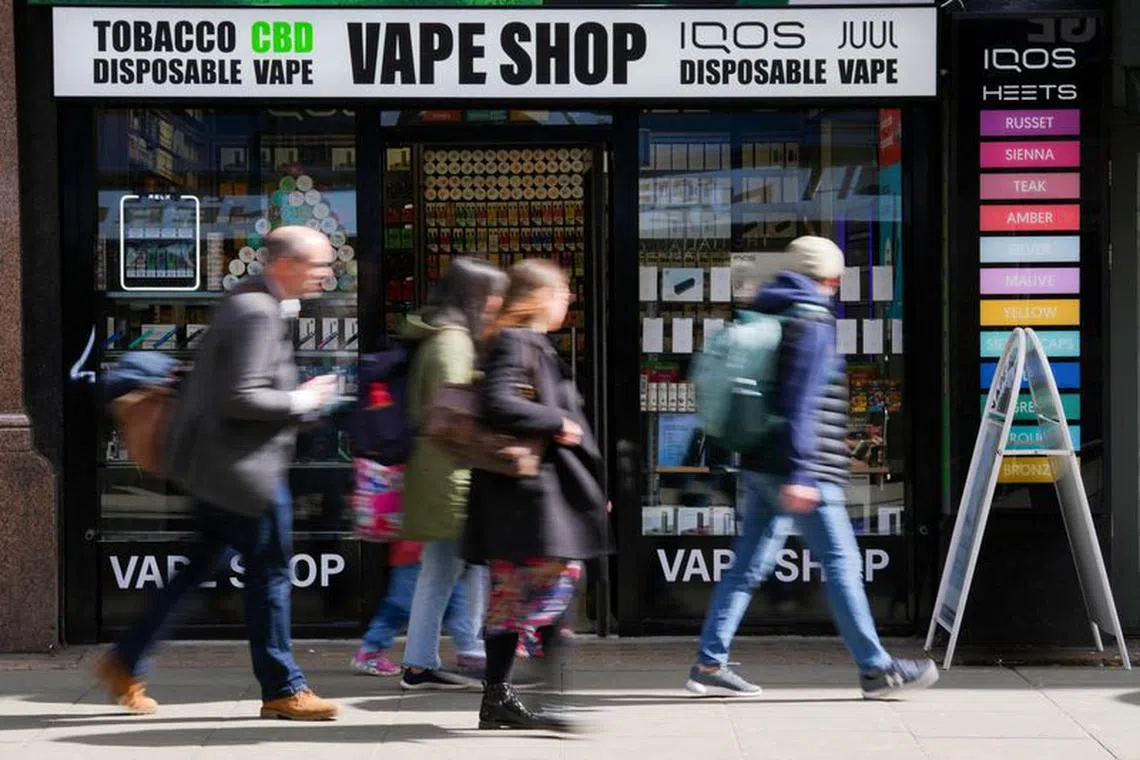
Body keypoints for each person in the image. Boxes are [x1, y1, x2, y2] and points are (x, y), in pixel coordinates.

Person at [96, 226, 342, 720]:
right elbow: (241, 396)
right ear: (286, 265)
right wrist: (303, 399)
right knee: (270, 575)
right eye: (318, 266)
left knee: (195, 569)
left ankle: (124, 661)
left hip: (220, 468)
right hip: (243, 473)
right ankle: (282, 687)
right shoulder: (256, 311)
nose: (326, 275)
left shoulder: (252, 301)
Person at [687, 236, 939, 700]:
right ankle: (876, 668)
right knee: (843, 562)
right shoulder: (812, 319)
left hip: (763, 463)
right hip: (804, 470)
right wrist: (802, 473)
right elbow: (799, 404)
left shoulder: (767, 307)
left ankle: (709, 662)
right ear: (831, 277)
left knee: (747, 567)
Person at [464, 259, 609, 731]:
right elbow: (498, 402)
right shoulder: (515, 341)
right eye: (562, 291)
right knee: (553, 598)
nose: (567, 299)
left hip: (534, 502)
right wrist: (556, 421)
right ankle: (547, 700)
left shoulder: (530, 342)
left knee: (517, 602)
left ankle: (500, 698)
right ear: (539, 297)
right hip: (531, 502)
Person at [399, 257, 509, 690]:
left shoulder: (440, 336)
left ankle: (426, 660)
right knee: (467, 567)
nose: (497, 308)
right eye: (494, 299)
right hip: (453, 476)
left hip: (438, 473)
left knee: (446, 570)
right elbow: (458, 416)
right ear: (477, 298)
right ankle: (460, 653)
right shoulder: (453, 343)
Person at [351, 539, 478, 677]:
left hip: (431, 549)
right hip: (419, 550)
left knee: (456, 603)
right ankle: (370, 649)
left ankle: (469, 651)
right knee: (403, 606)